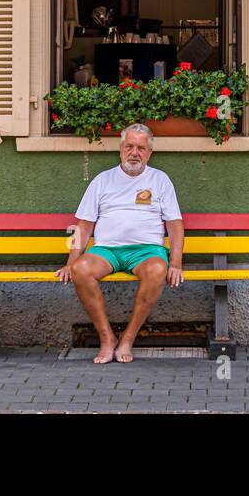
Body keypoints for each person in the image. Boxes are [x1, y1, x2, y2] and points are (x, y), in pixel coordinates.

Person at [55, 123, 185, 363]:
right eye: (129, 147)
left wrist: (175, 262)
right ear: (120, 149)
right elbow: (83, 226)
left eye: (141, 148)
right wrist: (70, 261)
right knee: (80, 269)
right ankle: (107, 339)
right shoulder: (102, 181)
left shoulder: (160, 180)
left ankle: (127, 339)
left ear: (149, 153)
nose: (134, 153)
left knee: (158, 269)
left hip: (147, 251)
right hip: (107, 250)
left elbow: (175, 225)